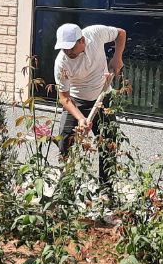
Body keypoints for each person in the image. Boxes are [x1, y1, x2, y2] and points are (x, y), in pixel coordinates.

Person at [53, 23, 126, 200]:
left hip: (102, 99)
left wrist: (117, 58)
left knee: (108, 143)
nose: (67, 52)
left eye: (70, 48)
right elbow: (64, 98)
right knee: (65, 141)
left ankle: (106, 189)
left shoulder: (95, 34)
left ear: (82, 41)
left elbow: (121, 34)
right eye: (63, 48)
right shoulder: (61, 63)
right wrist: (79, 118)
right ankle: (65, 188)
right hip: (76, 102)